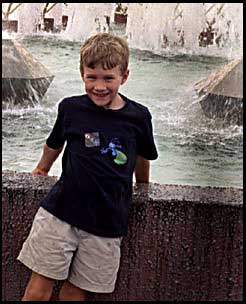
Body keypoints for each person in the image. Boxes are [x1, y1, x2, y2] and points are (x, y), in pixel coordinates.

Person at [17, 32, 158, 301]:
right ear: (82, 73)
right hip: (60, 214)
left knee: (74, 294)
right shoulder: (71, 109)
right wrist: (42, 168)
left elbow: (142, 155)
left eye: (109, 78)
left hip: (106, 224)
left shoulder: (138, 117)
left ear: (124, 76)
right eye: (91, 77)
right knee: (38, 290)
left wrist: (143, 186)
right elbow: (55, 143)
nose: (99, 86)